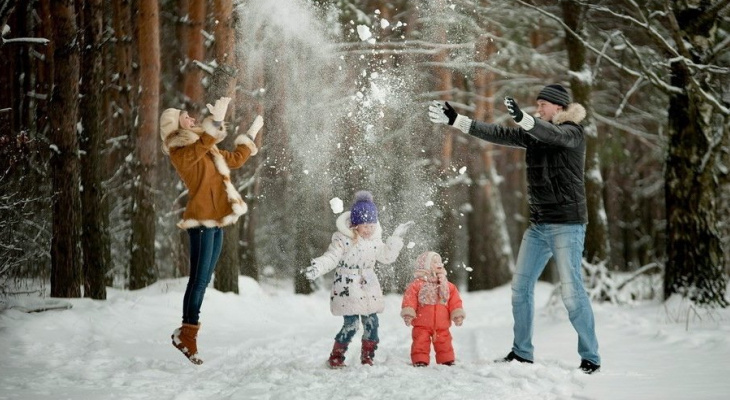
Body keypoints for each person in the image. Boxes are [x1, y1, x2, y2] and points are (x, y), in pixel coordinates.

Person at [428, 84, 601, 374]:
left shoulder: (572, 132)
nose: (538, 109)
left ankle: (591, 357)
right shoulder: (534, 134)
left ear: (558, 107)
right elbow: (499, 134)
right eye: (536, 105)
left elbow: (552, 134)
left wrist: (525, 120)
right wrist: (455, 120)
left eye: (543, 105)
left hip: (567, 225)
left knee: (572, 293)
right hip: (539, 225)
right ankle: (522, 352)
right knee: (520, 289)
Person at [159, 97, 263, 365]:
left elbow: (234, 160)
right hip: (202, 219)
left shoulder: (204, 147)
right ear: (174, 123)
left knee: (204, 280)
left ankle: (186, 333)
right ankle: (187, 334)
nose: (191, 118)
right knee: (198, 279)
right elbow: (205, 141)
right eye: (186, 117)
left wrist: (250, 137)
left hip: (216, 220)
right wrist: (215, 121)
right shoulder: (180, 150)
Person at [304, 191, 413, 368]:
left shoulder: (375, 241)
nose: (369, 229)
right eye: (365, 226)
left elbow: (386, 257)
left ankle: (368, 357)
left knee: (372, 322)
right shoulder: (343, 240)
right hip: (347, 284)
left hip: (368, 284)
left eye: (372, 225)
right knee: (352, 324)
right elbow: (331, 257)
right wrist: (318, 266)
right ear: (355, 225)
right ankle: (336, 357)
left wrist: (395, 238)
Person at [401, 251, 465, 367]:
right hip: (421, 323)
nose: (438, 263)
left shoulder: (446, 285)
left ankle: (446, 359)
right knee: (420, 341)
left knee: (444, 342)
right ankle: (420, 359)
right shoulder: (417, 285)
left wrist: (457, 314)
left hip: (442, 323)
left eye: (439, 261)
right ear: (425, 265)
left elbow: (455, 301)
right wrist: (409, 312)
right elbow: (409, 299)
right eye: (434, 262)